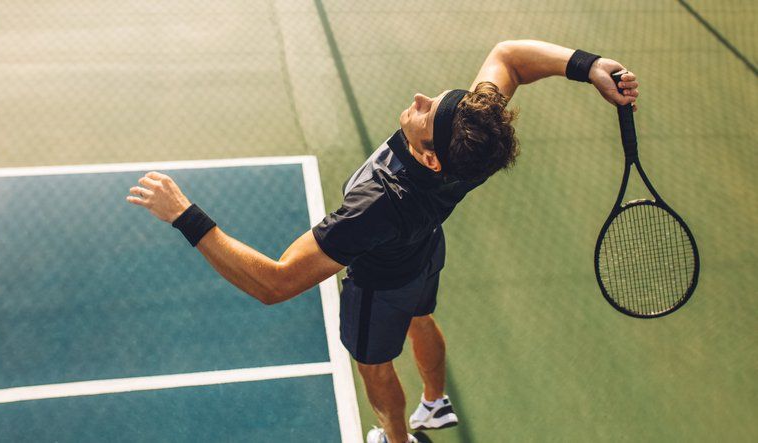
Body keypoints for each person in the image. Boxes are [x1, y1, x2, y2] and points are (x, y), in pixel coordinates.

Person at [126, 40, 639, 443]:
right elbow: (509, 57)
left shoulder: (376, 206)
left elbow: (273, 283)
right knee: (420, 316)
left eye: (426, 114)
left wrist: (184, 215)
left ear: (431, 159)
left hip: (378, 282)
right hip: (425, 254)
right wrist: (589, 66)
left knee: (374, 366)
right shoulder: (471, 139)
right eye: (439, 100)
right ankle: (435, 402)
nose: (420, 99)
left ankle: (396, 439)